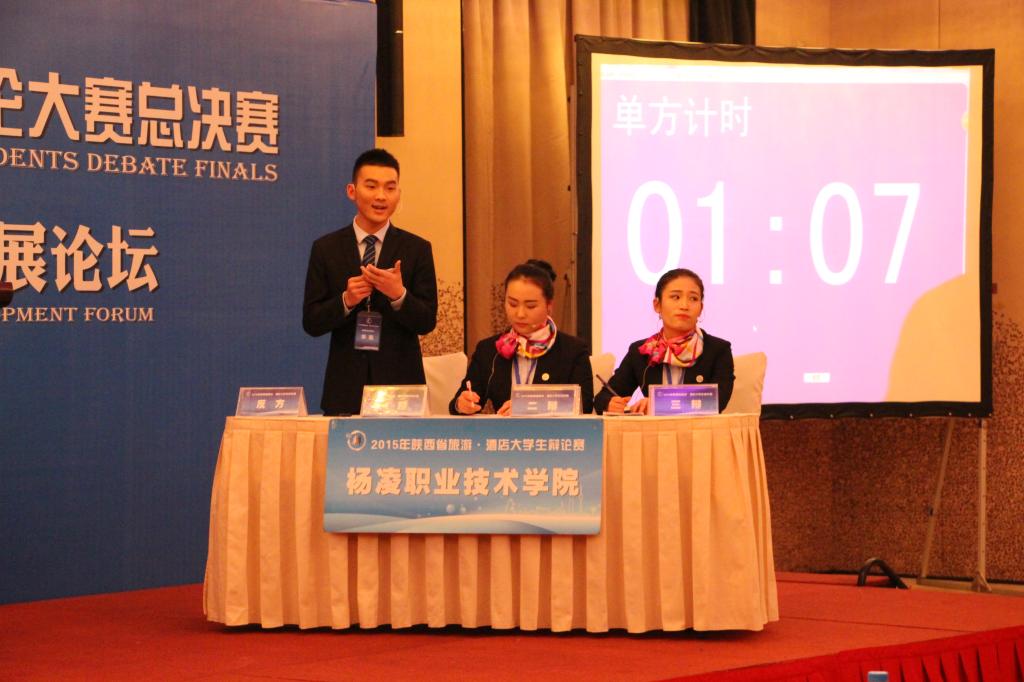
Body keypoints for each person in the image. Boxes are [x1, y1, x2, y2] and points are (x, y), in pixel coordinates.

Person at [303, 148, 438, 415]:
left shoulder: (417, 249)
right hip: (345, 389)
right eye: (371, 186)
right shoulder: (326, 248)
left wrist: (399, 295)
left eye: (390, 188)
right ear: (352, 191)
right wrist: (346, 300)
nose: (381, 196)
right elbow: (312, 322)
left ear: (399, 194)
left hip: (401, 389)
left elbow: (427, 321)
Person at [450, 260, 594, 415]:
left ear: (549, 306)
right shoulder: (489, 349)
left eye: (530, 306)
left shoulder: (573, 351)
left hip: (553, 431)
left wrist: (528, 407)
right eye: (512, 304)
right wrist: (462, 403)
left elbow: (584, 405)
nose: (520, 314)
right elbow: (460, 402)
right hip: (505, 430)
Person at [594, 268, 733, 414]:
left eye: (693, 298)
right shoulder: (642, 351)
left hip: (699, 428)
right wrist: (609, 403)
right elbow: (602, 398)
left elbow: (717, 402)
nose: (684, 306)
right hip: (654, 429)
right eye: (675, 297)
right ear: (657, 305)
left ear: (700, 308)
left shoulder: (718, 350)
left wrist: (658, 403)